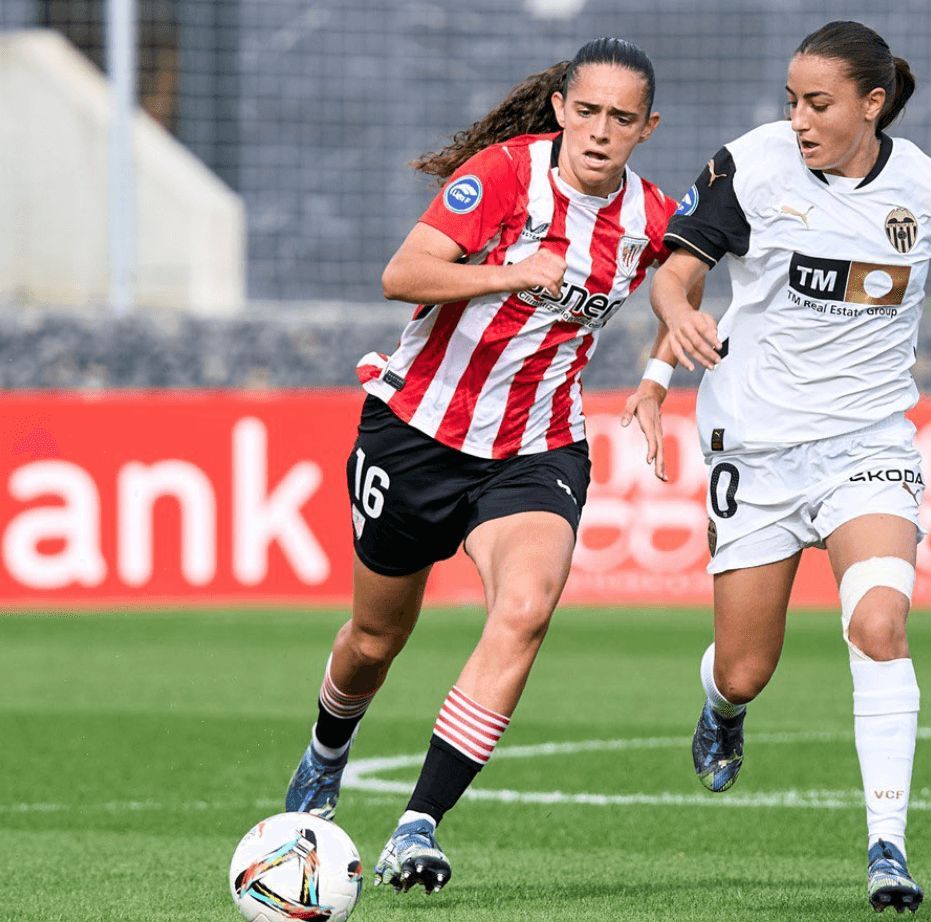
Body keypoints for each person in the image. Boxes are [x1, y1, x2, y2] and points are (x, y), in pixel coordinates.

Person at [282, 37, 684, 897]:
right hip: (416, 432)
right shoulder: (503, 174)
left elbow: (681, 290)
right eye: (587, 112)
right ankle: (326, 751)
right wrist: (511, 274)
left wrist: (656, 378)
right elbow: (404, 273)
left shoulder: (652, 216)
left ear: (647, 128)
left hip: (536, 447)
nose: (600, 132)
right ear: (561, 110)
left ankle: (416, 826)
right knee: (375, 639)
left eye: (622, 118)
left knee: (528, 609)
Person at [624, 20, 931, 914]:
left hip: (867, 446)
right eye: (792, 100)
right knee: (747, 666)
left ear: (873, 104)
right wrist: (674, 321)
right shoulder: (751, 167)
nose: (798, 119)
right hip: (753, 447)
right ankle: (721, 708)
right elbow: (673, 274)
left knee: (879, 624)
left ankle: (888, 846)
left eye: (818, 103)